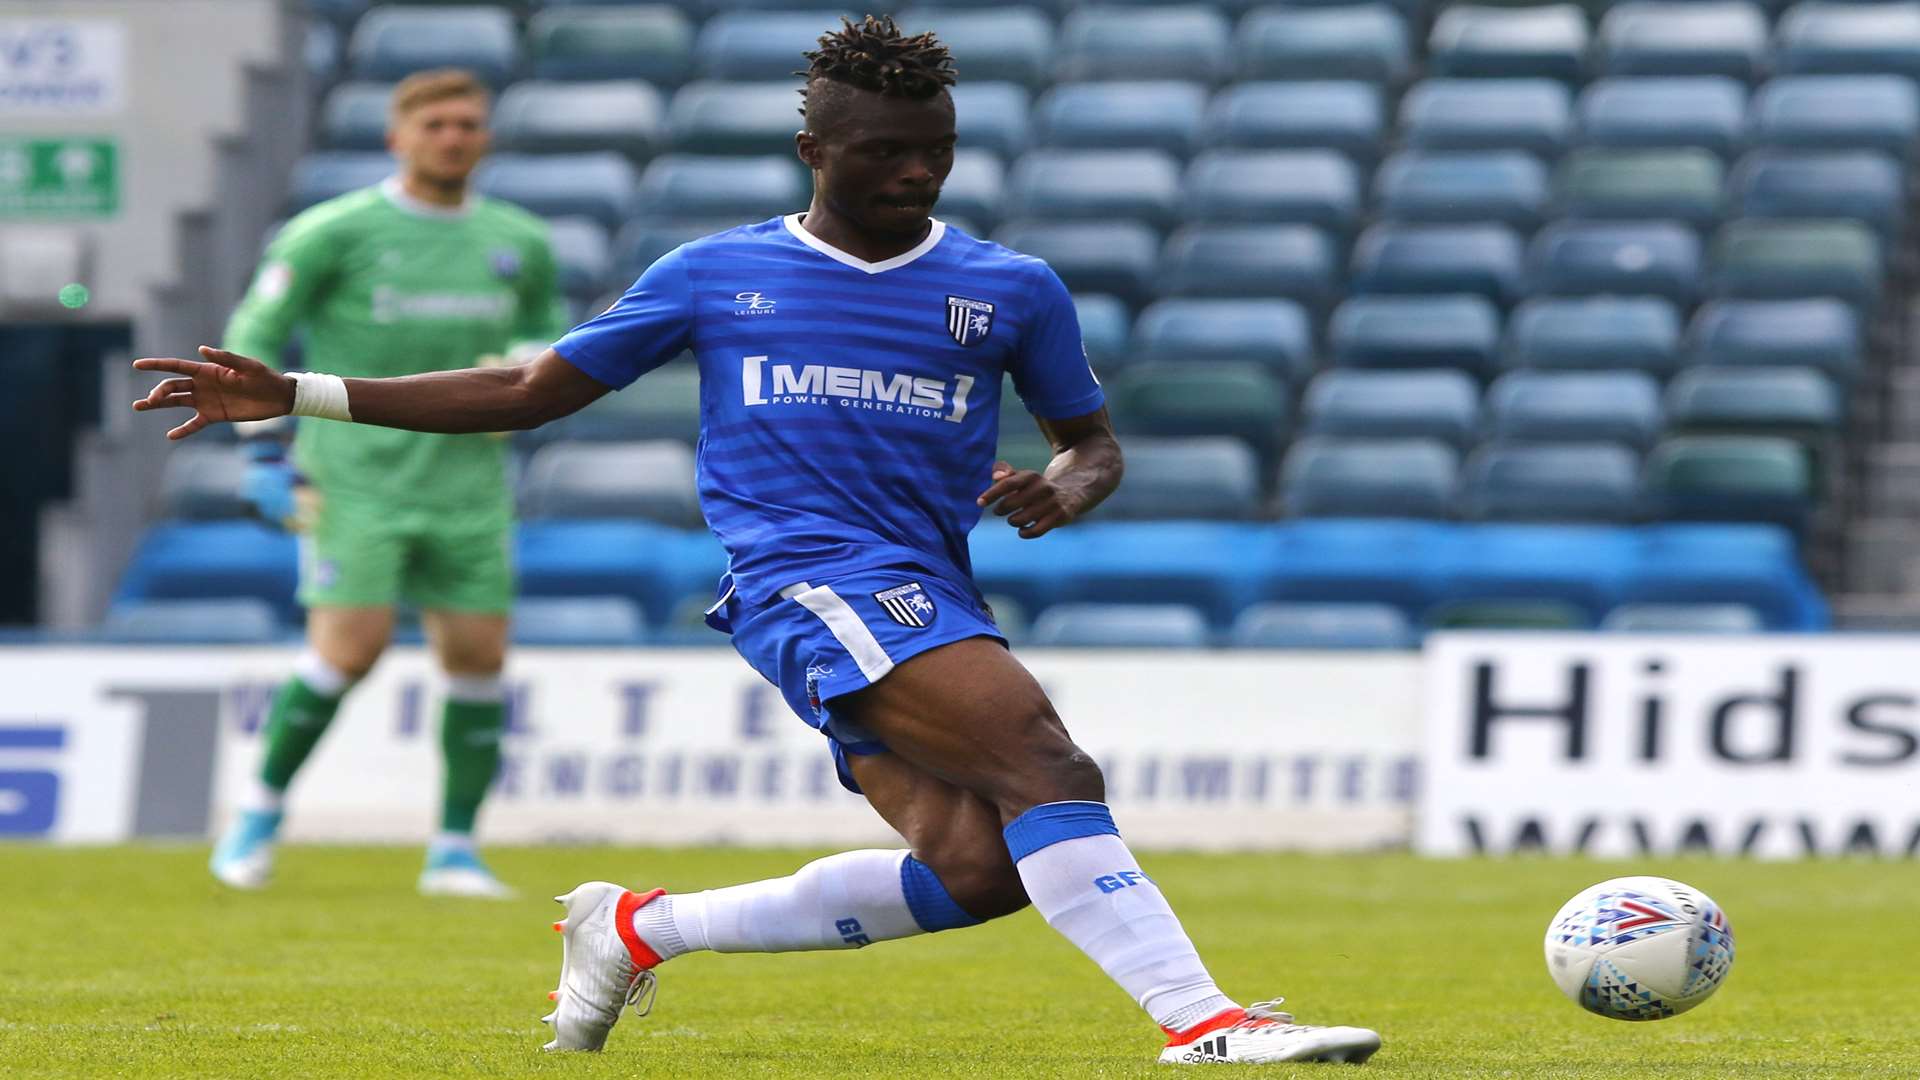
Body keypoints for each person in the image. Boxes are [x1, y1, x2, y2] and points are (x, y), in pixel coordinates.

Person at [131, 17, 1382, 1066]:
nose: (915, 175)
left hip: (928, 582)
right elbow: (529, 394)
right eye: (886, 153)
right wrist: (302, 392)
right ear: (813, 150)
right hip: (804, 576)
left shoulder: (1013, 288)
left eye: (934, 152)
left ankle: (637, 930)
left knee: (978, 867)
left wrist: (1068, 481)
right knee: (1049, 767)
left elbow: (1093, 441)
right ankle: (1200, 1020)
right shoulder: (716, 273)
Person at [206, 68, 568, 898]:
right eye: (435, 123)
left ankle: (453, 850)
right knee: (351, 648)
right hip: (357, 476)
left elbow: (547, 334)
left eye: (468, 124)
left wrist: (521, 361)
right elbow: (255, 332)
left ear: (486, 137)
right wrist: (263, 453)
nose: (453, 136)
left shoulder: (520, 240)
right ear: (396, 137)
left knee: (479, 659)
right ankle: (257, 815)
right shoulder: (331, 231)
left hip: (470, 481)